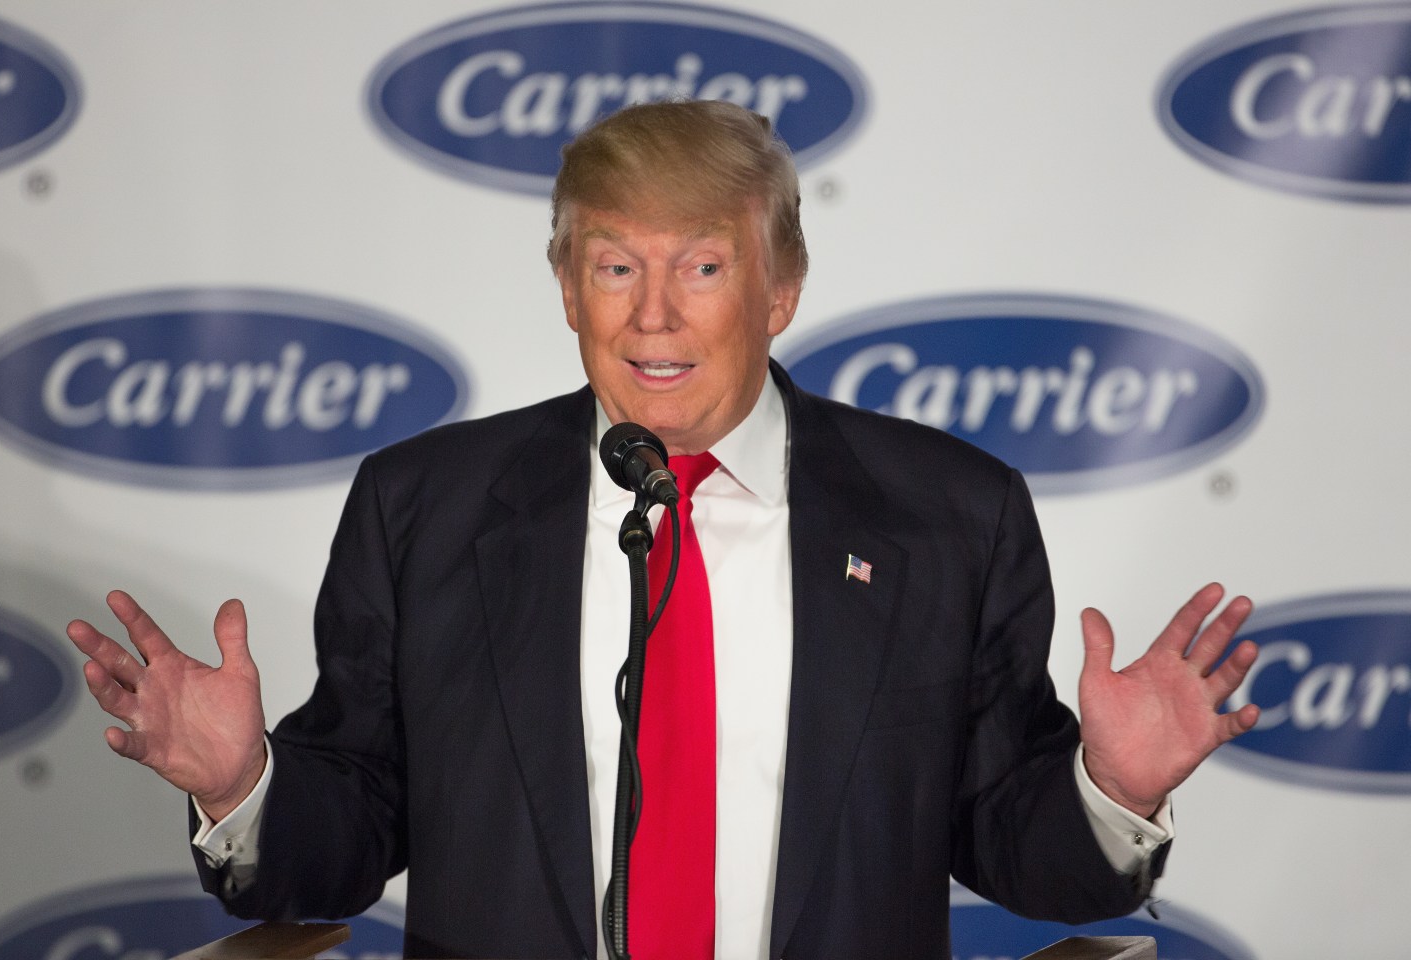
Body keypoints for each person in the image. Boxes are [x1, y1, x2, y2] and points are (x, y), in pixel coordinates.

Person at [67, 100, 1260, 960]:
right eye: (613, 267)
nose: (652, 317)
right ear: (566, 286)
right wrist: (246, 787)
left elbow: (1008, 840)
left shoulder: (950, 513)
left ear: (780, 288)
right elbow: (355, 824)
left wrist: (1110, 790)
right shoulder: (423, 506)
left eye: (700, 267)